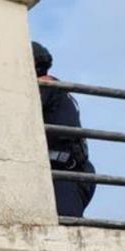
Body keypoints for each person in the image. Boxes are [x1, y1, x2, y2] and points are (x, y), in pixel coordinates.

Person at [34, 42, 96, 217]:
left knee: (65, 229)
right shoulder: (56, 89)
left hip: (66, 175)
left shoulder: (45, 89)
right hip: (72, 173)